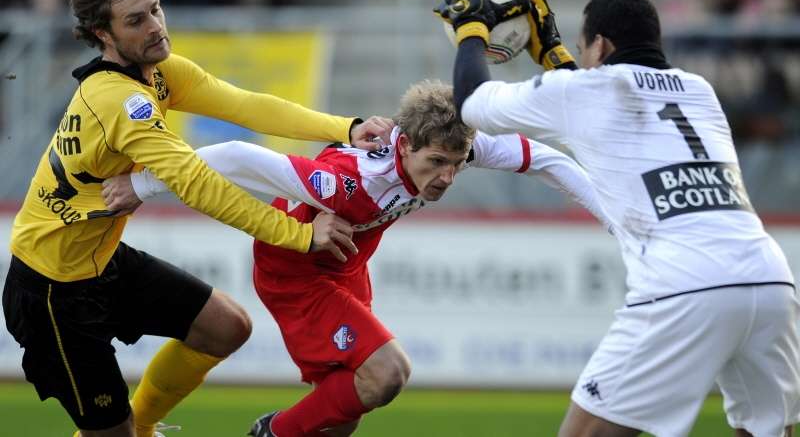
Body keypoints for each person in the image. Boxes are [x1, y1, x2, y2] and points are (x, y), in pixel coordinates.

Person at [2, 0, 392, 437]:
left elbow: (247, 106)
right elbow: (196, 183)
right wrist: (297, 235)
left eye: (155, 9)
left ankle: (143, 427)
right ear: (103, 34)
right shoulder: (118, 101)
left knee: (226, 327)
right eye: (136, 21)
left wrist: (345, 127)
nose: (155, 27)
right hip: (52, 291)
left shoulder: (160, 72)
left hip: (99, 262)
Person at [103, 80, 613, 437]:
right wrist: (143, 185)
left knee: (343, 413)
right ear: (405, 145)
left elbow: (545, 159)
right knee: (388, 373)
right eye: (437, 163)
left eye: (457, 165)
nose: (446, 177)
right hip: (296, 273)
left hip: (346, 267)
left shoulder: (452, 144)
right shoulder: (351, 182)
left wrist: (617, 220)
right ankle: (272, 433)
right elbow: (235, 156)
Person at [438, 0, 800, 437]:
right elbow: (606, 106)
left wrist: (470, 27)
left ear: (601, 45)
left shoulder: (583, 92)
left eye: (585, 49)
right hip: (769, 278)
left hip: (685, 282)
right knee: (765, 430)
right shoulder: (699, 91)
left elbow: (473, 101)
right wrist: (555, 53)